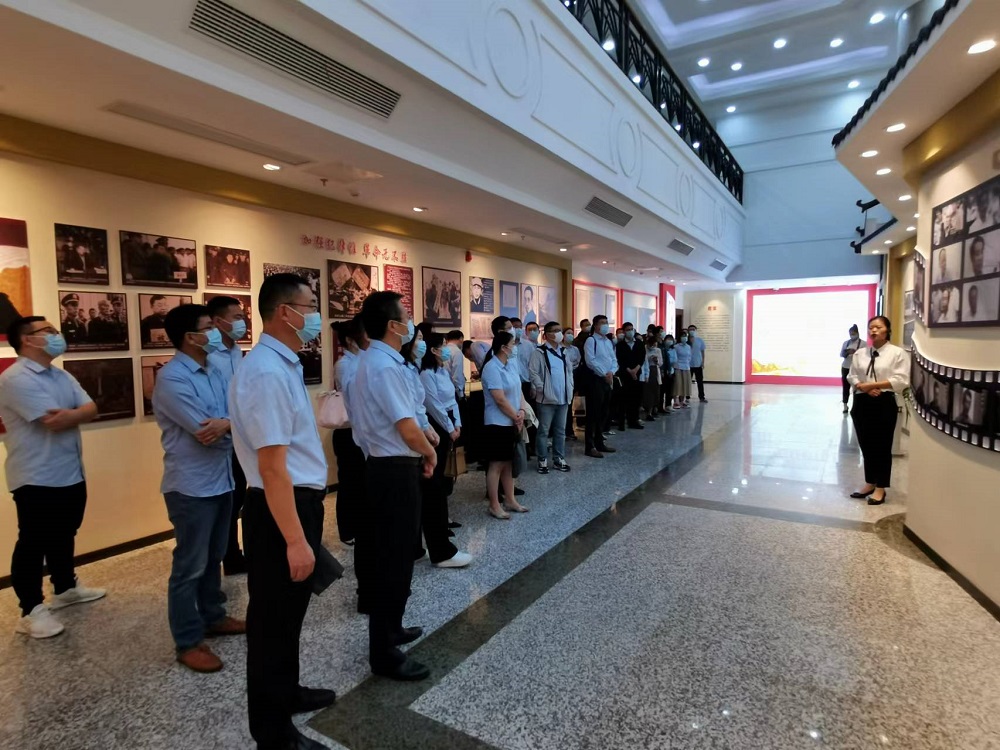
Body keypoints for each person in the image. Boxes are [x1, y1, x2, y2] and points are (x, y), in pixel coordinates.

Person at [228, 274, 335, 750]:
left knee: (289, 615)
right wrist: (294, 539)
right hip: (277, 510)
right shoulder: (266, 373)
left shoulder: (282, 363)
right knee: (271, 624)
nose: (315, 316)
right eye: (309, 306)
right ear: (283, 312)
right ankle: (272, 732)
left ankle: (288, 692)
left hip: (296, 502)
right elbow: (272, 468)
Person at [152, 304, 244, 672]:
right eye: (208, 327)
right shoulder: (172, 378)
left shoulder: (214, 371)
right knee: (189, 565)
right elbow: (205, 432)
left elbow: (236, 416)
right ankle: (188, 640)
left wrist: (229, 425)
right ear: (190, 337)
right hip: (191, 486)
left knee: (214, 555)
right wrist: (230, 426)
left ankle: (213, 616)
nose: (216, 332)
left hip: (222, 478)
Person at [0, 317, 105, 639]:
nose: (56, 336)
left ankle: (64, 588)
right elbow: (53, 421)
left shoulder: (60, 375)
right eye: (48, 332)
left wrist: (75, 414)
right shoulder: (15, 379)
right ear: (27, 339)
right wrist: (76, 414)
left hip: (69, 470)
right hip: (36, 475)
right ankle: (31, 609)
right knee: (33, 541)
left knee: (64, 532)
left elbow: (92, 409)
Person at [352, 291, 436, 681]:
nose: (410, 323)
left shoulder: (380, 361)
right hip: (392, 470)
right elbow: (405, 426)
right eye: (405, 316)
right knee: (392, 560)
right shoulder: (382, 366)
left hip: (390, 467)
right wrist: (429, 452)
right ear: (392, 325)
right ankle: (383, 653)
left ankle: (393, 627)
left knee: (399, 555)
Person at [420, 333, 473, 568]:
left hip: (450, 423)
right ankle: (437, 535)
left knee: (444, 478)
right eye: (442, 346)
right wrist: (449, 428)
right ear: (432, 350)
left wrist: (457, 423)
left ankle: (443, 523)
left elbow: (451, 400)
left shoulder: (442, 371)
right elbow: (433, 404)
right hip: (437, 426)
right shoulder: (425, 374)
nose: (446, 349)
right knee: (435, 480)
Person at [206, 295, 250, 575]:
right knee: (223, 503)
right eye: (236, 317)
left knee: (237, 497)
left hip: (239, 436)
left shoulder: (237, 352)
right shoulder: (209, 355)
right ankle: (226, 556)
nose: (242, 322)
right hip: (219, 439)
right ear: (218, 321)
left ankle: (233, 555)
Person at [847, 316, 909, 506]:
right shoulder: (860, 353)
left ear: (887, 330)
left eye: (878, 327)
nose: (873, 330)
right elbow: (852, 375)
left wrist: (873, 385)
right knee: (866, 445)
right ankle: (870, 482)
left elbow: (902, 379)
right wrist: (863, 387)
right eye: (871, 327)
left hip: (884, 402)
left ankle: (881, 487)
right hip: (862, 401)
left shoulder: (897, 353)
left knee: (882, 446)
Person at [482, 331, 530, 518]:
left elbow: (519, 391)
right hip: (497, 423)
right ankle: (494, 504)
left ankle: (510, 499)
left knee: (508, 463)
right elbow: (499, 399)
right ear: (503, 347)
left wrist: (522, 411)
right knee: (496, 464)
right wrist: (516, 416)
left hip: (512, 421)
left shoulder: (510, 365)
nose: (514, 347)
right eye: (512, 344)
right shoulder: (491, 368)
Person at [331, 317, 369, 549]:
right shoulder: (344, 364)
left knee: (361, 481)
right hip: (347, 431)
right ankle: (347, 530)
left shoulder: (362, 359)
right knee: (349, 483)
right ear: (350, 340)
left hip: (361, 430)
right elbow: (353, 397)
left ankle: (361, 524)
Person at [529, 321, 573, 474]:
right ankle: (542, 459)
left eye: (559, 330)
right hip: (546, 399)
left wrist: (570, 388)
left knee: (560, 430)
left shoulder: (564, 351)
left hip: (563, 398)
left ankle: (559, 458)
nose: (558, 333)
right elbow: (533, 372)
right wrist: (541, 388)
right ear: (546, 335)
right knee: (544, 430)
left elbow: (569, 372)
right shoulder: (539, 352)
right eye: (554, 330)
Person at [582, 315, 617, 459]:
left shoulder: (608, 341)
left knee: (604, 412)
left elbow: (613, 359)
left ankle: (599, 442)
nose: (605, 325)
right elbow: (590, 361)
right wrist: (603, 374)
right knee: (593, 414)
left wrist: (611, 372)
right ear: (595, 326)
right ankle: (590, 446)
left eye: (606, 322)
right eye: (602, 323)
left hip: (608, 380)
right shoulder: (591, 340)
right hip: (596, 380)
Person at [615, 322, 645, 430]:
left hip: (637, 374)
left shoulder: (639, 343)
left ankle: (633, 421)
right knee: (623, 399)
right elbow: (620, 360)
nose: (630, 331)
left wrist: (636, 370)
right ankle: (621, 422)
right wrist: (629, 371)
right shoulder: (620, 345)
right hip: (625, 374)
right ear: (624, 331)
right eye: (628, 329)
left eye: (631, 329)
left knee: (635, 399)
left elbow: (641, 358)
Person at [839, 325, 865, 414]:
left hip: (857, 369)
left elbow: (866, 356)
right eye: (850, 334)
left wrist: (856, 353)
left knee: (857, 387)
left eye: (853, 334)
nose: (852, 335)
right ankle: (845, 405)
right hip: (845, 367)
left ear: (858, 333)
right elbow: (841, 354)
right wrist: (847, 352)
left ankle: (855, 406)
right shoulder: (846, 343)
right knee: (845, 387)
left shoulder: (863, 344)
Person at [562, 327, 581, 440]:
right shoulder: (560, 348)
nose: (570, 335)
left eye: (572, 333)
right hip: (564, 378)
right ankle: (564, 430)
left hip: (575, 377)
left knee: (572, 403)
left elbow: (578, 361)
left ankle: (570, 430)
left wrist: (572, 366)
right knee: (565, 405)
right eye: (568, 333)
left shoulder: (575, 349)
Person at [642, 334, 663, 421]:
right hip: (647, 371)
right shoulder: (644, 349)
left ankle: (653, 409)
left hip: (655, 371)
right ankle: (647, 410)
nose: (652, 346)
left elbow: (661, 363)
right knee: (647, 393)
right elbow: (643, 360)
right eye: (651, 344)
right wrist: (649, 358)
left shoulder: (658, 350)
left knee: (655, 392)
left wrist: (656, 361)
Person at [443, 330, 466, 402]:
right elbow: (457, 375)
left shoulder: (443, 350)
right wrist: (460, 393)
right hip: (453, 390)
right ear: (461, 339)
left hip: (443, 388)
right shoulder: (457, 352)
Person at [688, 325, 708, 403]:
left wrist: (703, 362)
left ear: (696, 330)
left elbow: (702, 352)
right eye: (690, 329)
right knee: (687, 381)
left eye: (693, 329)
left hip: (698, 364)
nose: (692, 331)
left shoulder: (700, 340)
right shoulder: (686, 341)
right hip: (688, 364)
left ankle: (701, 396)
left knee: (700, 381)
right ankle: (686, 396)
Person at [672, 330, 692, 408]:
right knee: (677, 384)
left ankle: (682, 401)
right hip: (678, 367)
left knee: (685, 384)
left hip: (686, 367)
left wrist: (687, 363)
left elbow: (689, 357)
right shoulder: (676, 346)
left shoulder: (688, 347)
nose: (684, 337)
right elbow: (674, 357)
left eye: (685, 336)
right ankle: (675, 401)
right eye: (683, 336)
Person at [661, 332, 676, 413]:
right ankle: (660, 405)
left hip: (671, 371)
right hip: (663, 372)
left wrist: (671, 367)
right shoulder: (662, 349)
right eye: (668, 339)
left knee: (669, 389)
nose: (669, 341)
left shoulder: (673, 350)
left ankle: (668, 405)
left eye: (671, 339)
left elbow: (675, 360)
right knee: (662, 389)